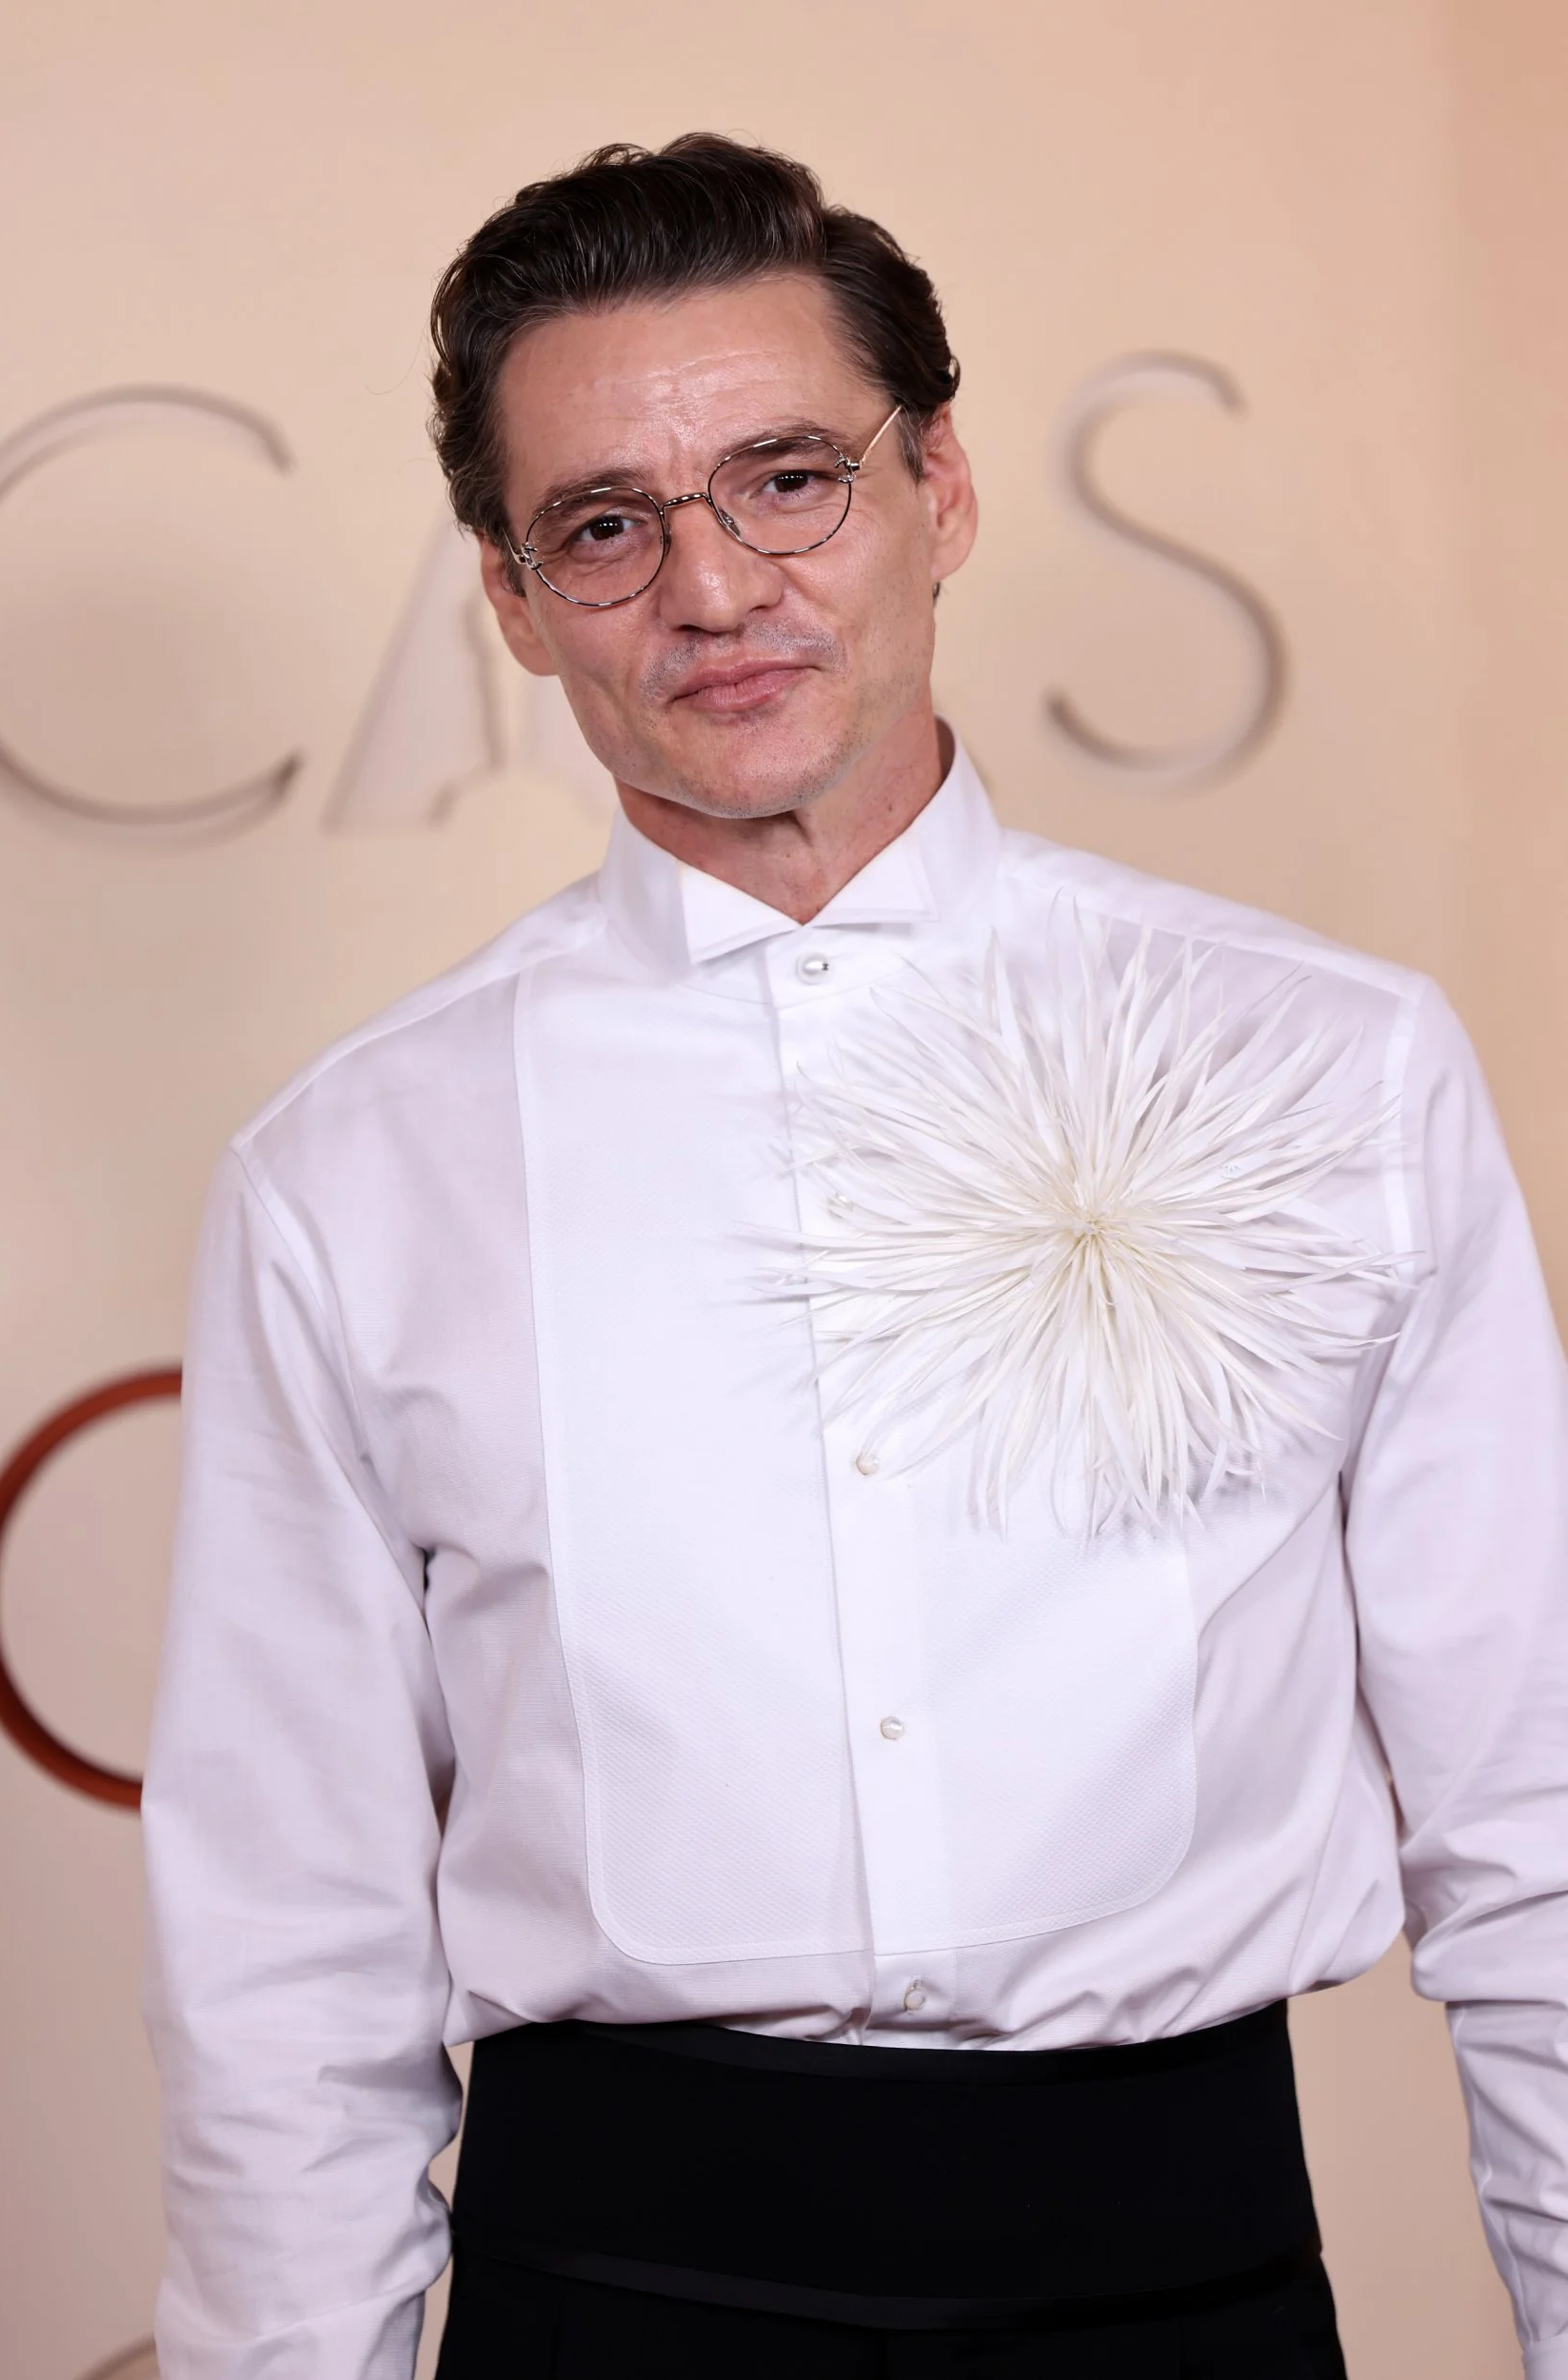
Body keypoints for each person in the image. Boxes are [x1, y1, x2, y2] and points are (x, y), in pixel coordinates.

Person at [142, 134, 1568, 2380]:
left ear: (943, 495)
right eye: (605, 523)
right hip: (597, 2308)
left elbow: (1542, 1819)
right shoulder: (349, 1169)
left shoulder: (1337, 1066)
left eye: (789, 477)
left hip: (1185, 2300)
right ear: (513, 602)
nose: (712, 587)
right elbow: (283, 1942)